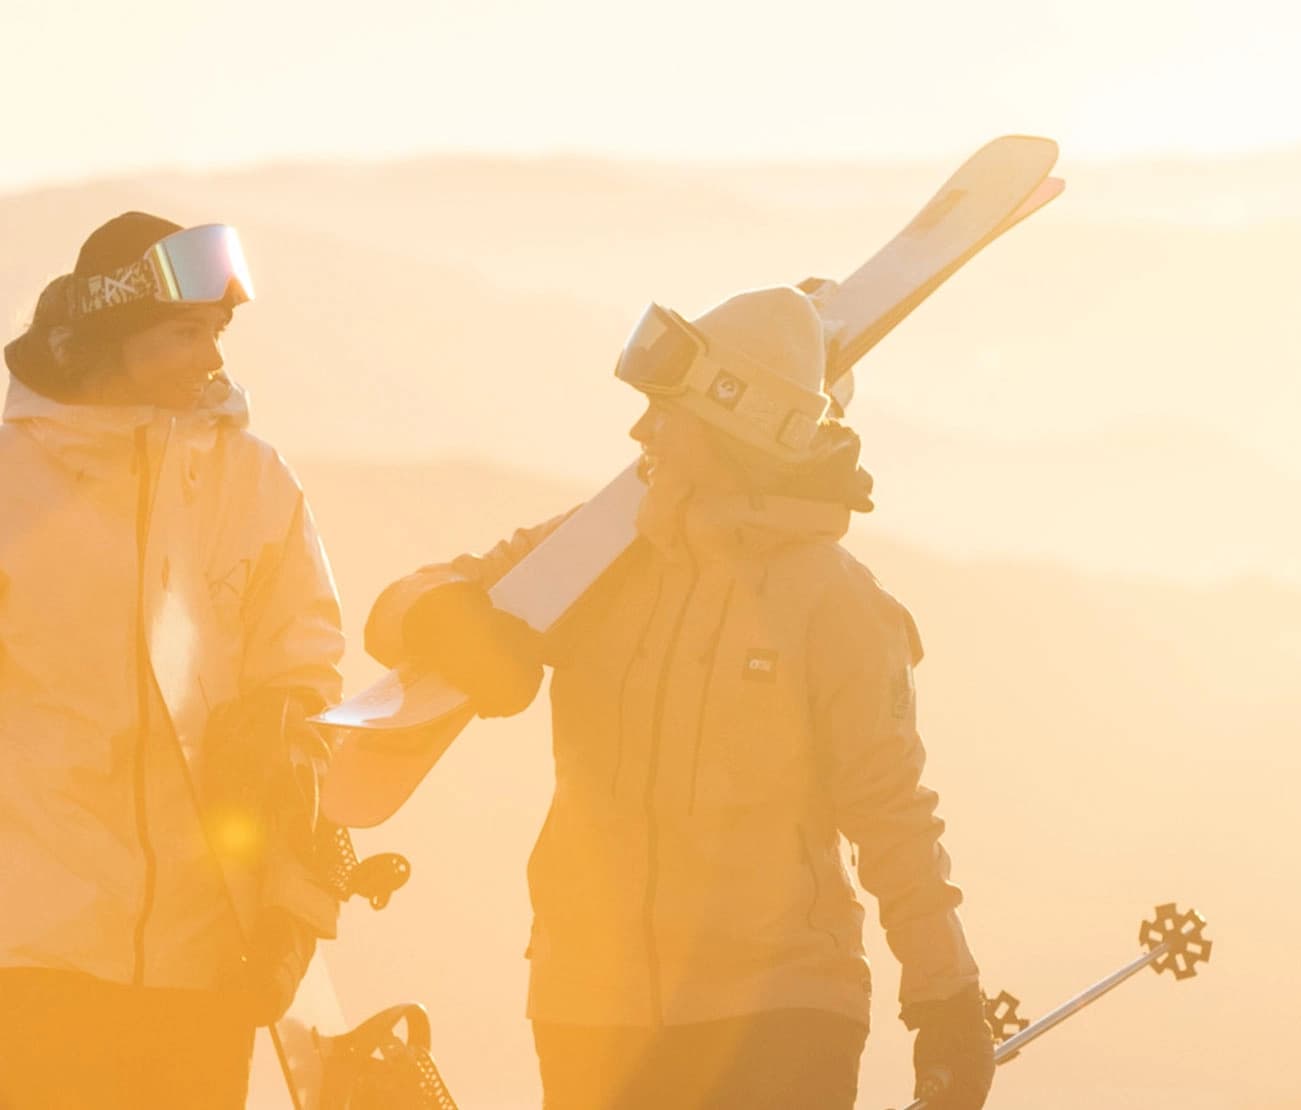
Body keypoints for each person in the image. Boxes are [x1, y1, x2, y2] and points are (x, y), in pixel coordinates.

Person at [362, 286, 994, 1109]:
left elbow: (892, 814)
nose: (640, 432)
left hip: (778, 1013)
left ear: (736, 425)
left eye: (666, 411)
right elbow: (399, 607)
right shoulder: (594, 556)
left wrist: (944, 996)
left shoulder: (835, 604)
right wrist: (453, 626)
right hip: (590, 1009)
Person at [0, 213, 348, 1108]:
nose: (210, 358)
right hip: (37, 957)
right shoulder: (10, 487)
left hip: (211, 956)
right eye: (182, 334)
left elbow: (306, 684)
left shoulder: (252, 480)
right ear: (104, 342)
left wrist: (293, 901)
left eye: (217, 333)